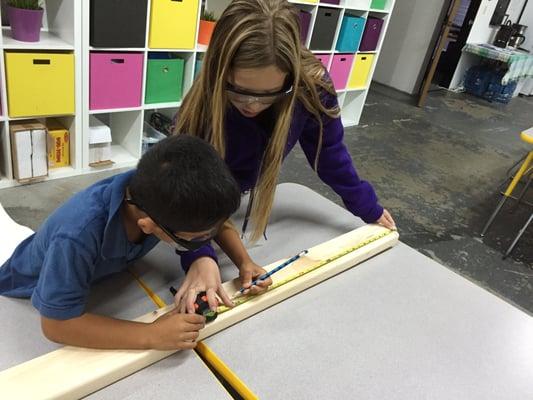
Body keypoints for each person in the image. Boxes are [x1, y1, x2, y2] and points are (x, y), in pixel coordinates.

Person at [173, 0, 396, 309]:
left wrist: (364, 202)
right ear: (218, 73)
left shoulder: (311, 85)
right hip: (201, 202)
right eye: (238, 91)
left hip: (229, 201)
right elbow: (181, 186)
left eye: (267, 95)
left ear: (290, 79)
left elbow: (329, 152)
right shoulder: (203, 103)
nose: (251, 104)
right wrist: (198, 254)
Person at [0, 135, 241, 350]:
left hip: (102, 276)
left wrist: (209, 258)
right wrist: (151, 334)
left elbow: (209, 216)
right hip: (22, 288)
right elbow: (56, 326)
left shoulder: (151, 192)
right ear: (148, 227)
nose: (203, 240)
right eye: (192, 240)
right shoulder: (76, 237)